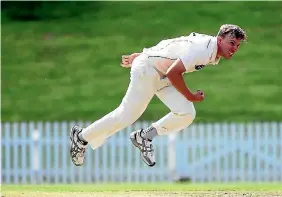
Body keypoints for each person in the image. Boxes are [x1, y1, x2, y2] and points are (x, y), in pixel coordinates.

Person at [69, 24, 247, 167]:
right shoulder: (203, 49)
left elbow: (175, 44)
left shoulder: (210, 48)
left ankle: (144, 137)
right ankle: (81, 137)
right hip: (149, 71)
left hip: (159, 71)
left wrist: (146, 54)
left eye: (237, 45)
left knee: (186, 113)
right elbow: (173, 73)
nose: (234, 49)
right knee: (127, 114)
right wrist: (191, 96)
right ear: (220, 39)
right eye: (231, 43)